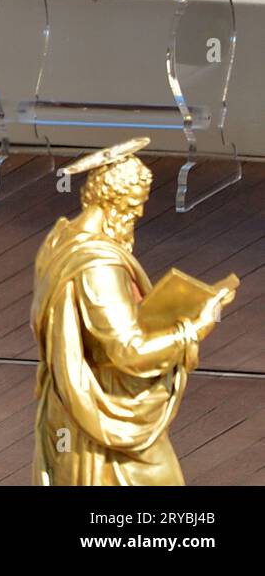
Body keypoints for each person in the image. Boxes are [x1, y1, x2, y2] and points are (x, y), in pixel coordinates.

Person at [31, 140, 235, 485]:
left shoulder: (60, 239)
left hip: (69, 409)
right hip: (106, 418)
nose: (139, 214)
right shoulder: (98, 266)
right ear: (114, 202)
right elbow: (129, 351)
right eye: (135, 204)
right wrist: (193, 328)